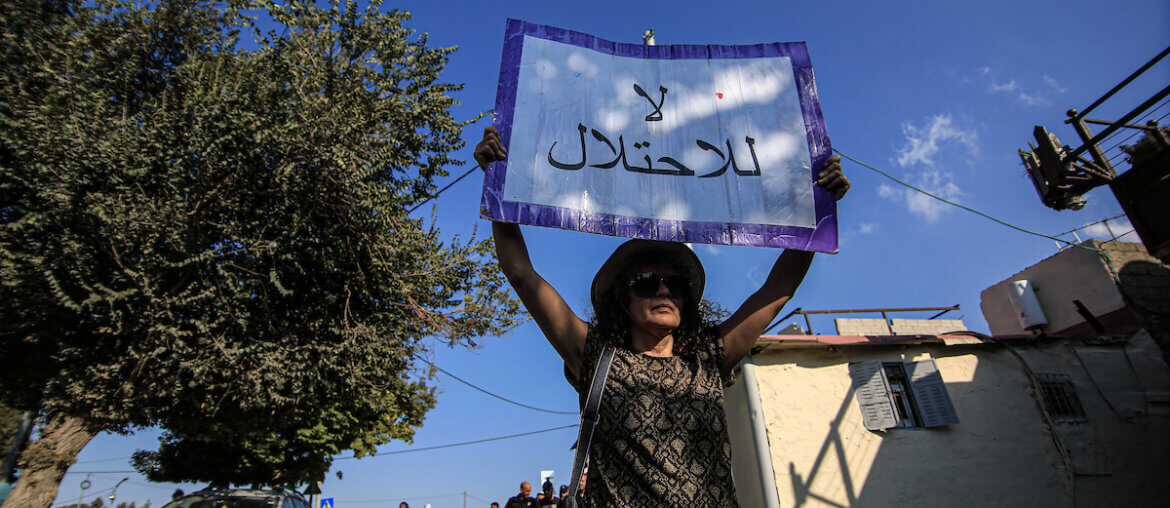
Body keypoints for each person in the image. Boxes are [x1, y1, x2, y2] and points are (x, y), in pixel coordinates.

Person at [476, 127, 849, 506]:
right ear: (622, 299)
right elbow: (522, 275)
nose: (663, 290)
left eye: (676, 284)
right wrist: (497, 180)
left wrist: (820, 204)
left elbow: (775, 292)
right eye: (646, 282)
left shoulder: (708, 359)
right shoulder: (596, 357)